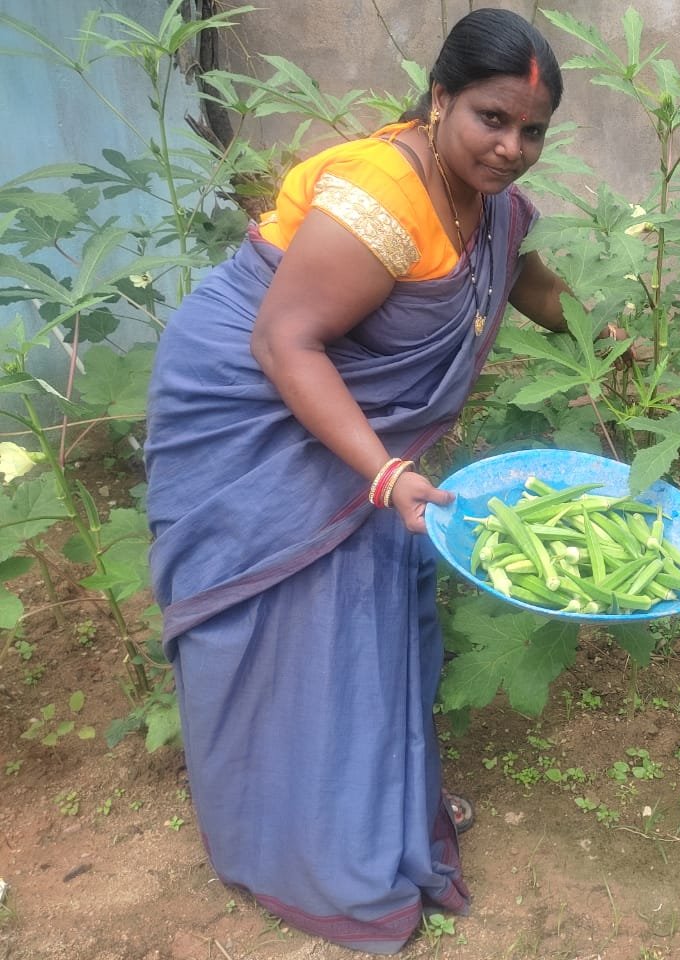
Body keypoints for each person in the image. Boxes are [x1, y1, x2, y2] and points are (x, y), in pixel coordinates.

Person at [144, 9, 576, 954]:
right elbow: (282, 339)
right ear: (440, 99)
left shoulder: (484, 198)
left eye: (531, 131)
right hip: (257, 404)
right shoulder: (384, 192)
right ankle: (302, 847)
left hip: (345, 415)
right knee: (288, 627)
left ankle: (376, 807)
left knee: (370, 617)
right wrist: (383, 474)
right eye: (491, 119)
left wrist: (604, 343)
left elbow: (524, 282)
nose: (510, 148)